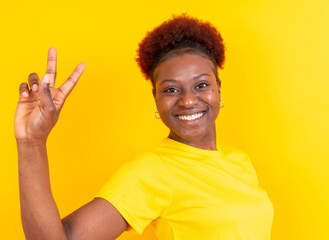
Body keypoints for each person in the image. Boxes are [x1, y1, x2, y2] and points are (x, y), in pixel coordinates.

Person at [15, 14, 274, 240]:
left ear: (218, 89)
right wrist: (31, 142)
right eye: (171, 90)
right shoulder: (153, 172)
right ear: (156, 99)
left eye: (201, 85)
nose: (187, 100)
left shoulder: (239, 161)